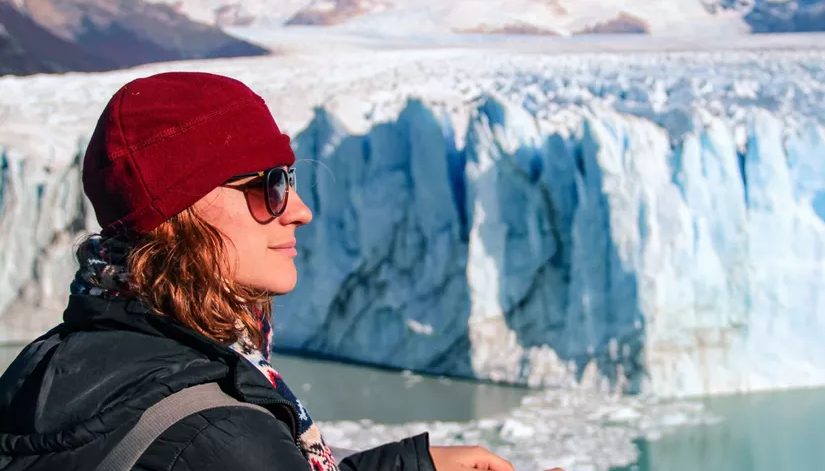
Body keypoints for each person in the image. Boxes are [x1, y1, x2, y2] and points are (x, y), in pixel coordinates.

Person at [0, 72, 540, 471]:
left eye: (289, 178)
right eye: (269, 185)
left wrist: (417, 465)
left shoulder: (48, 364)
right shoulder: (219, 432)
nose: (299, 209)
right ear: (173, 213)